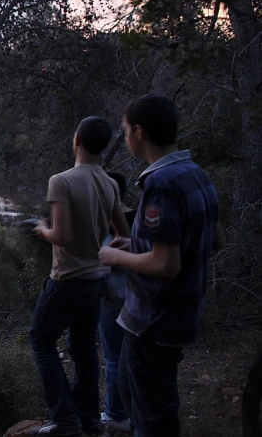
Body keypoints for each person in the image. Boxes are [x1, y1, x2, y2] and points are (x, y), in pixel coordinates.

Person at [99, 94, 219, 437]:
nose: (124, 138)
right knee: (134, 391)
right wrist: (136, 243)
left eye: (125, 131)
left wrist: (115, 256)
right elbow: (211, 240)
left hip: (154, 320)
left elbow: (166, 264)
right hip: (179, 313)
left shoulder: (161, 184)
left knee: (152, 417)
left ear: (140, 132)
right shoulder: (196, 175)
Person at [31, 116, 130, 436]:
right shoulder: (110, 182)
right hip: (97, 280)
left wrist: (42, 230)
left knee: (42, 339)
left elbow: (60, 234)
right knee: (84, 347)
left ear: (76, 140)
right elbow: (124, 233)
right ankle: (89, 420)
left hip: (68, 278)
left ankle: (66, 419)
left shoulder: (62, 180)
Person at [98, 171, 137, 432]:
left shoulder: (119, 222)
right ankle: (128, 411)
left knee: (116, 360)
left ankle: (116, 413)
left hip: (120, 301)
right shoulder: (137, 218)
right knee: (126, 360)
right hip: (126, 299)